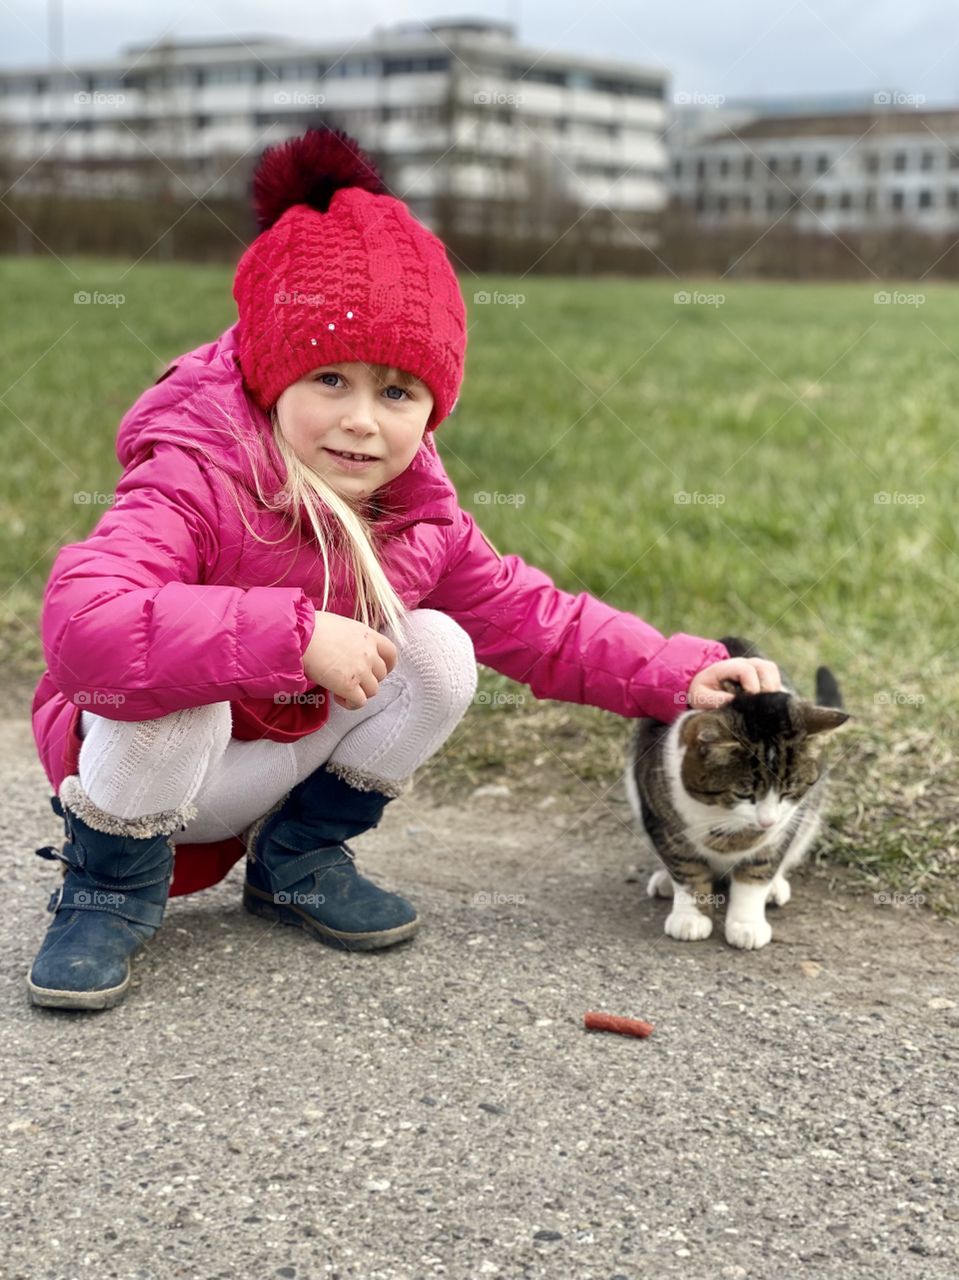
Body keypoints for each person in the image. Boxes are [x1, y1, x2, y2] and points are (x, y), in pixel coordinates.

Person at [27, 127, 781, 1011]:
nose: (361, 421)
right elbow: (85, 633)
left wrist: (678, 672)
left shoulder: (416, 514)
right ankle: (107, 891)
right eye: (328, 381)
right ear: (270, 379)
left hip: (270, 764)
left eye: (395, 392)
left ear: (431, 409)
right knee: (173, 694)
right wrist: (293, 636)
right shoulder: (192, 476)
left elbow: (536, 620)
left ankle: (298, 861)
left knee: (439, 647)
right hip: (147, 773)